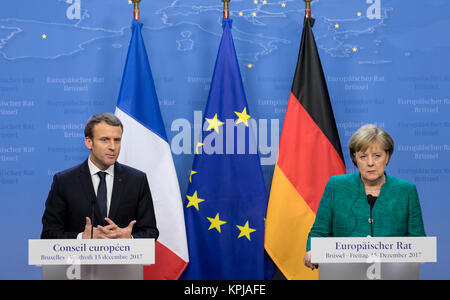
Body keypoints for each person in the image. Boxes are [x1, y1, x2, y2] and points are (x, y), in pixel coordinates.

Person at [303, 124, 425, 269]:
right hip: (344, 273)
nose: (370, 163)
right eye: (363, 156)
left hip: (392, 273)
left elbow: (417, 240)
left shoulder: (406, 190)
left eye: (377, 156)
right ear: (355, 159)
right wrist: (312, 251)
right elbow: (320, 232)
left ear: (387, 157)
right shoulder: (336, 186)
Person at [41, 112, 159, 240]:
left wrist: (129, 238)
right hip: (80, 259)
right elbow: (48, 234)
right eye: (105, 140)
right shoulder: (64, 182)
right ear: (89, 142)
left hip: (122, 259)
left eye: (117, 140)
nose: (113, 147)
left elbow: (150, 232)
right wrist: (81, 238)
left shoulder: (136, 180)